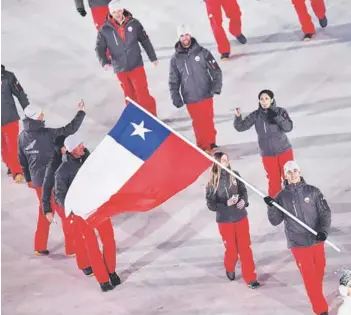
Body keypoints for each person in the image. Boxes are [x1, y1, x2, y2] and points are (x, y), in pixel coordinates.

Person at [54, 133, 120, 292]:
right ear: (71, 150)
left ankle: (111, 271)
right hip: (82, 214)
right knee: (92, 245)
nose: (82, 146)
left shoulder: (92, 160)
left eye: (82, 143)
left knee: (109, 240)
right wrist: (74, 208)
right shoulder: (62, 171)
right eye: (79, 145)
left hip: (99, 208)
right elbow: (59, 196)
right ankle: (103, 279)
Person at [18, 101, 86, 256]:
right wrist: (81, 112)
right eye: (41, 114)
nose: (43, 116)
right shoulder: (47, 134)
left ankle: (39, 245)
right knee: (64, 212)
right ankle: (72, 248)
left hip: (37, 182)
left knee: (45, 210)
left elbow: (22, 159)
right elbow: (69, 129)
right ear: (35, 118)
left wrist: (29, 179)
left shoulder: (22, 136)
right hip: (52, 179)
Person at [264, 160, 331, 315]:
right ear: (285, 176)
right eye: (289, 172)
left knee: (319, 271)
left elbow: (325, 213)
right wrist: (271, 207)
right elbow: (275, 221)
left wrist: (323, 231)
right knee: (309, 277)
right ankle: (321, 309)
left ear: (300, 172)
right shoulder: (281, 197)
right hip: (298, 243)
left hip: (316, 239)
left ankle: (316, 296)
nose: (293, 174)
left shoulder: (313, 191)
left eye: (295, 171)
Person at [206, 152, 260, 289]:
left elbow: (243, 191)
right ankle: (229, 266)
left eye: (227, 159)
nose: (226, 162)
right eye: (223, 160)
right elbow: (211, 204)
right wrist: (225, 204)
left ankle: (250, 277)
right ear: (217, 162)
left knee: (245, 248)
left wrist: (244, 201)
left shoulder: (234, 174)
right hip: (225, 221)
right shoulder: (212, 182)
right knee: (232, 250)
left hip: (240, 217)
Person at [95, 0, 158, 116]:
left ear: (123, 10)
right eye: (114, 12)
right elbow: (99, 48)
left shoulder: (134, 23)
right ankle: (134, 118)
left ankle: (152, 117)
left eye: (119, 11)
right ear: (110, 13)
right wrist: (104, 61)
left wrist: (152, 57)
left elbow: (145, 40)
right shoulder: (105, 30)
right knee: (129, 95)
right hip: (120, 68)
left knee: (142, 92)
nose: (118, 14)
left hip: (136, 65)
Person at [169, 25, 222, 154]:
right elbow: (173, 80)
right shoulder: (175, 59)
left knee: (208, 118)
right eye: (182, 36)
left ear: (190, 35)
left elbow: (216, 70)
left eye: (186, 35)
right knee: (197, 122)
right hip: (190, 96)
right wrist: (175, 96)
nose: (185, 38)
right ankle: (202, 145)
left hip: (205, 93)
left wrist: (215, 87)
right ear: (179, 38)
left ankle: (211, 142)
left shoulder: (203, 52)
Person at [234, 89, 293, 198]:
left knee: (289, 178)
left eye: (266, 99)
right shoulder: (256, 115)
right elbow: (241, 127)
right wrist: (238, 117)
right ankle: (276, 204)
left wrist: (275, 116)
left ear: (272, 99)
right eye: (262, 99)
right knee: (273, 180)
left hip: (284, 150)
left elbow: (288, 127)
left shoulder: (280, 111)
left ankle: (292, 201)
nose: (264, 101)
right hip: (267, 154)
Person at [41, 136, 75, 257]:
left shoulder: (75, 158)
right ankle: (71, 249)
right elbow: (46, 187)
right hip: (60, 198)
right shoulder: (53, 165)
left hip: (73, 196)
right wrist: (47, 210)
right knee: (68, 222)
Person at [1, 65, 29, 183]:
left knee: (12, 147)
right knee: (3, 148)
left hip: (10, 119)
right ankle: (11, 166)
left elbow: (21, 95)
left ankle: (17, 172)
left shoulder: (8, 77)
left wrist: (28, 111)